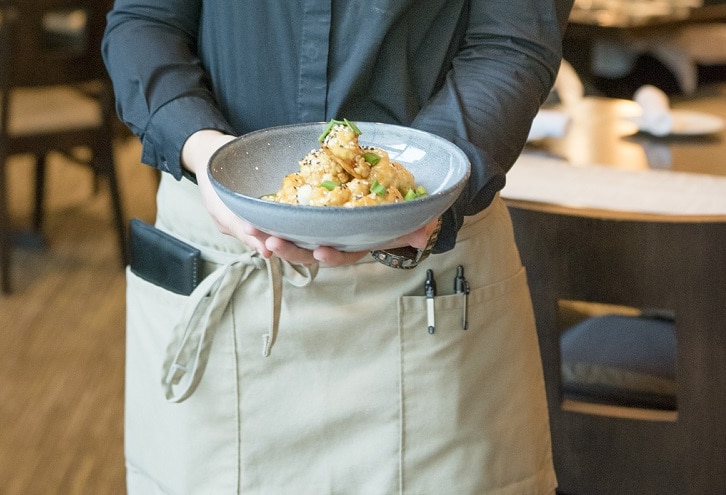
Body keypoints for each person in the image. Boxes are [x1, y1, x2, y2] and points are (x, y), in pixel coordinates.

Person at [102, 1, 572, 493]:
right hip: (225, 252)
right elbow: (145, 20)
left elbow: (512, 41)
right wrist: (204, 148)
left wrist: (412, 186)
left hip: (428, 270)